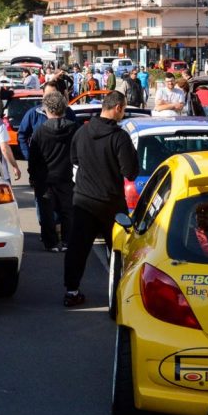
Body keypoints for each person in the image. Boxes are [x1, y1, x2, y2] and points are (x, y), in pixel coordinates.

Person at [63, 91, 137, 307]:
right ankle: (120, 293)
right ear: (118, 108)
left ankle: (71, 291)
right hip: (111, 202)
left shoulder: (82, 131)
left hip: (83, 199)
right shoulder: (119, 137)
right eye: (123, 109)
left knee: (78, 248)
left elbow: (74, 159)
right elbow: (130, 172)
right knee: (118, 249)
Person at [27, 92, 78, 252]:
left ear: (47, 110)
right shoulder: (73, 128)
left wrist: (32, 176)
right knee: (67, 211)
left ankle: (51, 243)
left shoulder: (40, 131)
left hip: (44, 178)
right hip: (66, 175)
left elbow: (33, 158)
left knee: (46, 212)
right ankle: (68, 241)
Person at [17, 81, 76, 160]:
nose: (50, 98)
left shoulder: (68, 112)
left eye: (53, 94)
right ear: (43, 95)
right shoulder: (33, 113)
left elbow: (76, 136)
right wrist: (29, 157)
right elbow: (22, 136)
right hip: (41, 164)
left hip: (64, 164)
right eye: (48, 94)